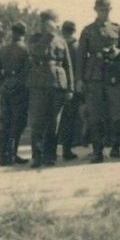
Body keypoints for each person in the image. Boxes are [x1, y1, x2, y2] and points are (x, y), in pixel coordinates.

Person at [77, 0, 120, 164]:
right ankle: (97, 152)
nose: (104, 12)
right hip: (95, 76)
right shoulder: (88, 30)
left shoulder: (118, 28)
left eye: (107, 9)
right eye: (101, 9)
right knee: (95, 115)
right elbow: (80, 56)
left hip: (114, 75)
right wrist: (80, 79)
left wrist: (118, 52)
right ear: (95, 10)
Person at [26, 10, 75, 168]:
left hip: (58, 84)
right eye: (47, 22)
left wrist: (70, 88)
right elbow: (36, 51)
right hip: (39, 84)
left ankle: (50, 155)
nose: (51, 25)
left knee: (54, 122)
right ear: (42, 23)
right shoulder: (35, 39)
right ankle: (36, 156)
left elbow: (68, 65)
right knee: (38, 122)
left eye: (53, 21)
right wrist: (47, 36)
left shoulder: (61, 41)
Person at [0, 21, 31, 166]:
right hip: (20, 90)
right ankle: (12, 154)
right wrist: (20, 84)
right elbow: (27, 71)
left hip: (6, 88)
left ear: (13, 33)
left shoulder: (2, 50)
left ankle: (4, 157)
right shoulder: (25, 50)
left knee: (5, 123)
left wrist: (1, 85)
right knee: (18, 122)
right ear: (23, 34)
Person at [55, 19, 82, 161]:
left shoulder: (58, 44)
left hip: (58, 86)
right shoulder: (77, 46)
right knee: (70, 120)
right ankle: (66, 150)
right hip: (73, 87)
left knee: (56, 120)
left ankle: (52, 150)